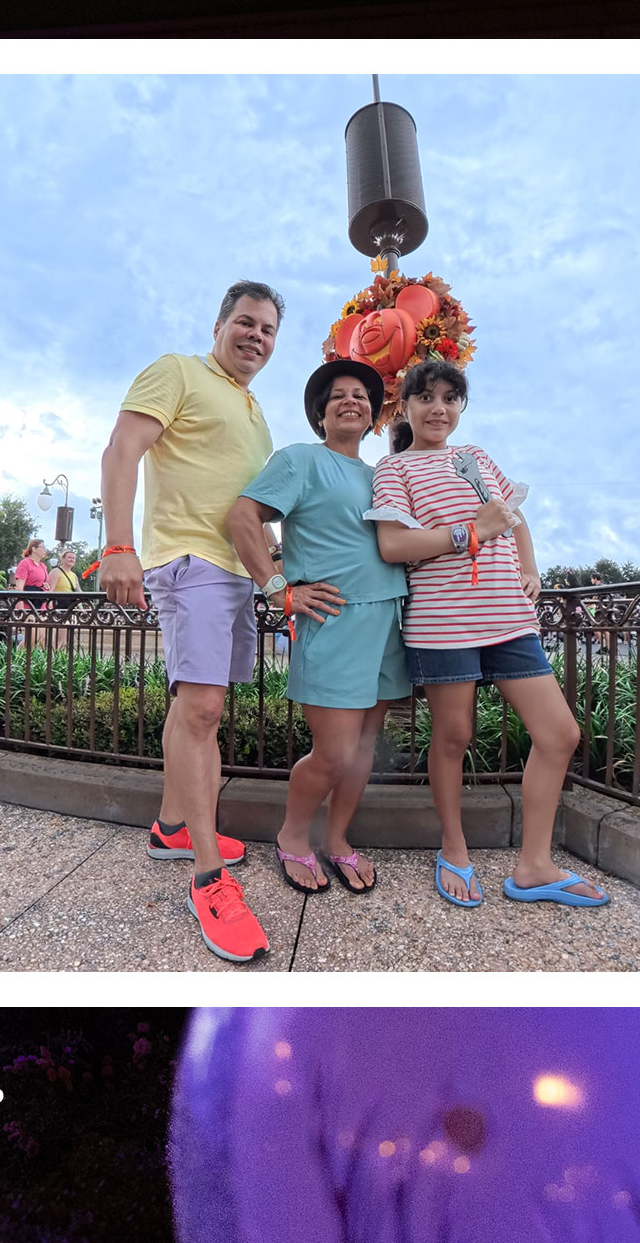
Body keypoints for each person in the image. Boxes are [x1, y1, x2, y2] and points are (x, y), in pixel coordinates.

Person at [369, 359, 602, 908]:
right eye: (426, 398)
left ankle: (534, 866)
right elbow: (393, 547)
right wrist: (470, 533)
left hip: (507, 617)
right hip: (443, 621)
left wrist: (530, 567)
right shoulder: (393, 470)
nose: (439, 409)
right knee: (454, 737)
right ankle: (454, 848)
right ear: (405, 406)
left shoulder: (476, 458)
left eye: (450, 398)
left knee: (559, 734)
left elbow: (513, 515)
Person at [99, 280, 281, 964]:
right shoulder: (179, 370)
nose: (256, 337)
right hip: (187, 560)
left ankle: (172, 827)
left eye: (267, 330)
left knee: (201, 707)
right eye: (245, 322)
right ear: (219, 324)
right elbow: (122, 449)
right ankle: (208, 878)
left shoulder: (255, 410)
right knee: (202, 707)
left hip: (235, 571)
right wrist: (120, 546)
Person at [225, 358, 405, 895]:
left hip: (390, 618)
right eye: (338, 396)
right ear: (320, 415)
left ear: (375, 415)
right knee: (334, 751)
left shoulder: (382, 475)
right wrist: (279, 588)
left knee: (366, 745)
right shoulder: (301, 461)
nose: (352, 401)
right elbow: (242, 517)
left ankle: (340, 839)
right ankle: (294, 835)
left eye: (362, 396)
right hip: (334, 618)